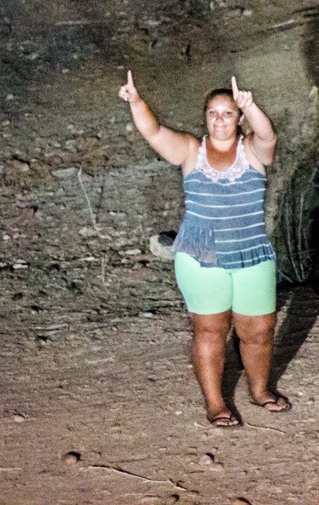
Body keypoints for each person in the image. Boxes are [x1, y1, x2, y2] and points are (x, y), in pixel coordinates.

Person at [118, 71, 290, 427]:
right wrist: (137, 102)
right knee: (210, 330)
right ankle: (216, 404)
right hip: (201, 256)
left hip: (250, 253)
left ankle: (260, 391)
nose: (220, 119)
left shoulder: (253, 151)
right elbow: (153, 132)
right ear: (205, 117)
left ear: (239, 118)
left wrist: (251, 105)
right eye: (213, 112)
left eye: (228, 113)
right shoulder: (191, 150)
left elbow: (268, 135)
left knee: (258, 331)